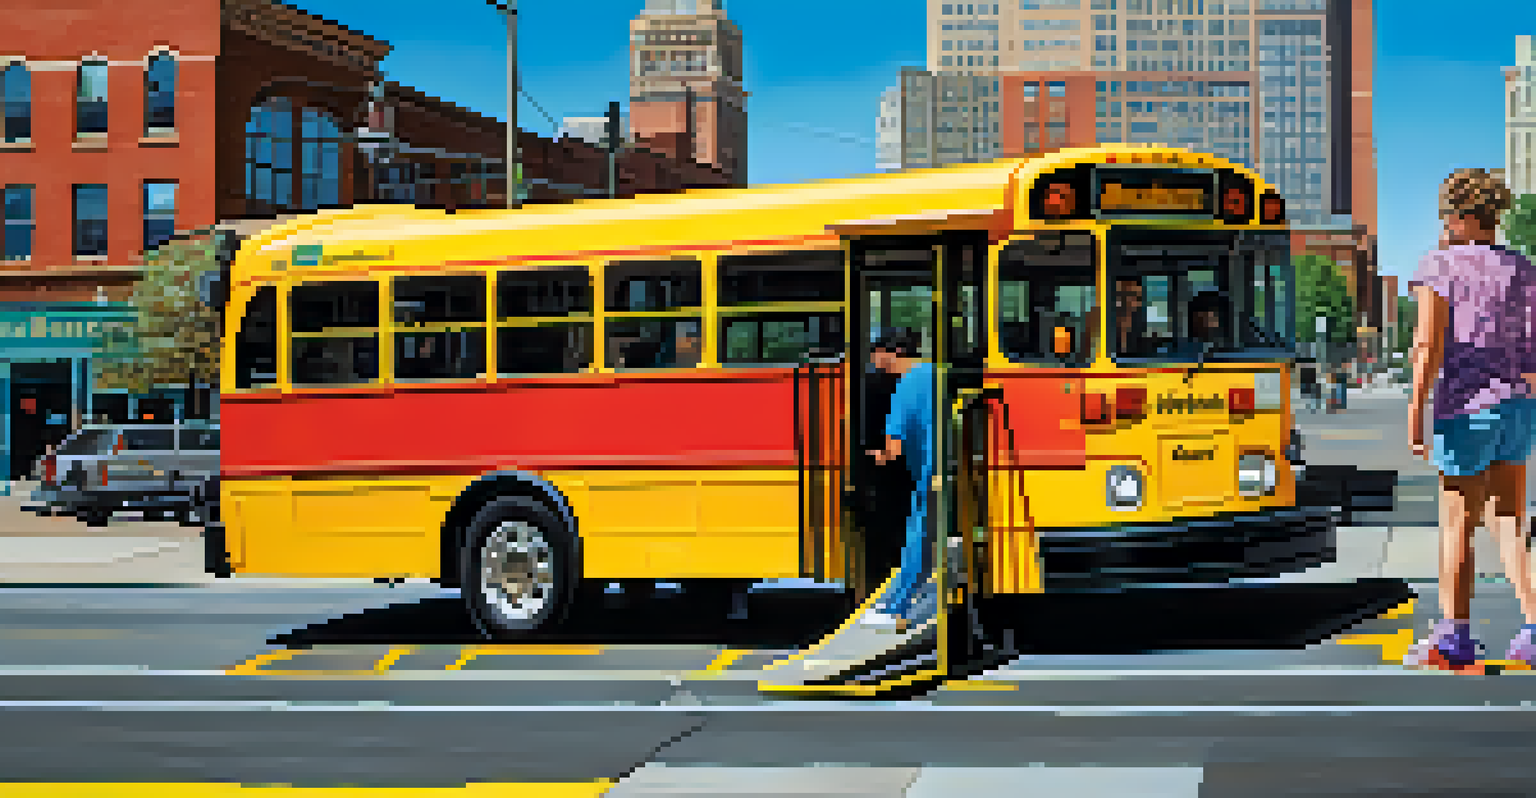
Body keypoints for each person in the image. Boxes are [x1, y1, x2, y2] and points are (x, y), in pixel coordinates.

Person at [1404, 167, 1536, 670]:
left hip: (1466, 407)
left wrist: (1416, 412)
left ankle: (1455, 636)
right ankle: (1532, 628)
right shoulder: (1522, 268)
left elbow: (1427, 345)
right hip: (1519, 405)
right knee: (1510, 524)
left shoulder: (1439, 267)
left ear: (1458, 217)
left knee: (1458, 524)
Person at [862, 328, 935, 633]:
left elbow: (894, 449)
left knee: (916, 536)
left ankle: (897, 607)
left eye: (877, 351)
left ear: (895, 353)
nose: (872, 358)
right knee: (926, 535)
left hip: (926, 472)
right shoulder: (933, 373)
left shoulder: (905, 389)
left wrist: (874, 457)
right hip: (942, 468)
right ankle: (903, 600)